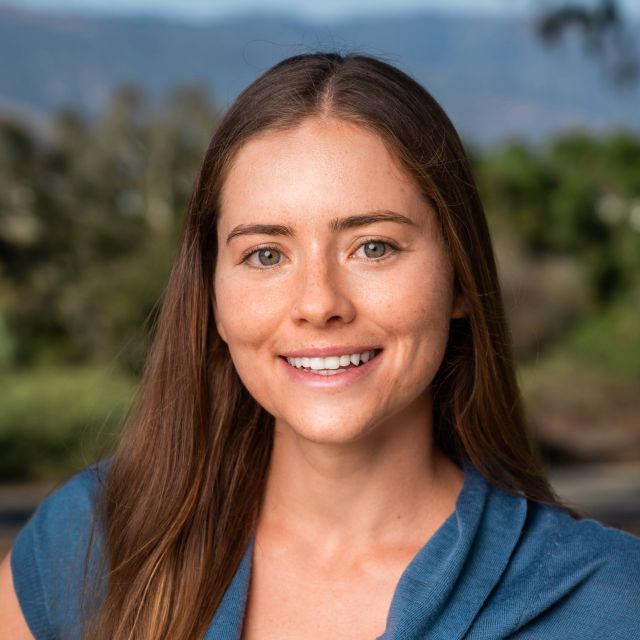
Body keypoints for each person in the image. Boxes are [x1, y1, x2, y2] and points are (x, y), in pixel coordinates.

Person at [0, 51, 638, 640]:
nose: (318, 303)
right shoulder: (88, 544)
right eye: (267, 254)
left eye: (373, 247)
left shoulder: (603, 605)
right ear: (214, 298)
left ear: (459, 279)